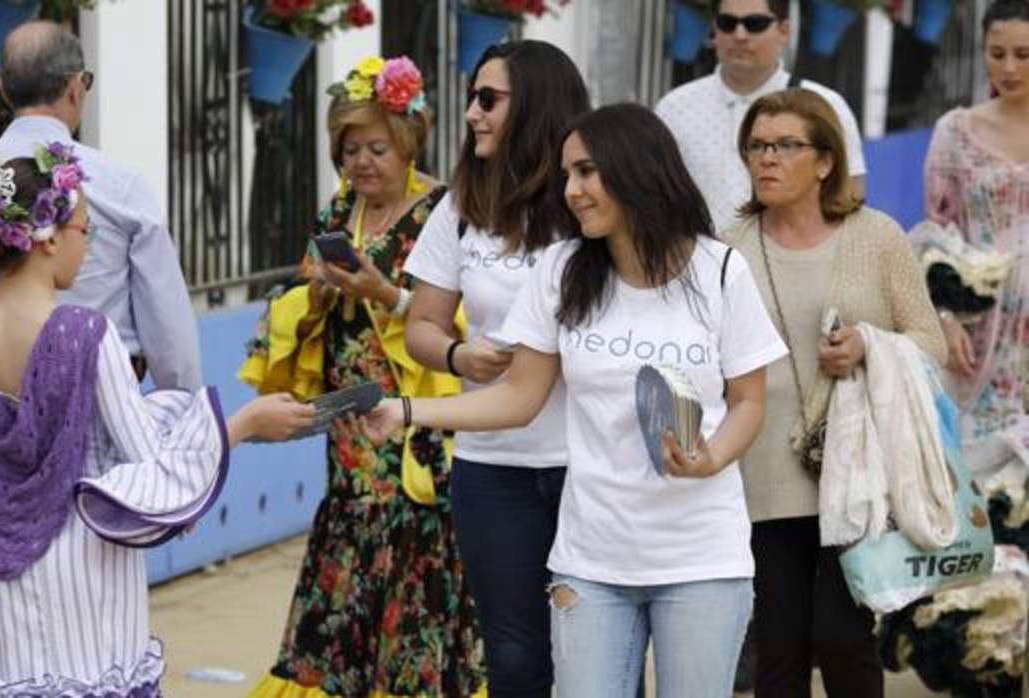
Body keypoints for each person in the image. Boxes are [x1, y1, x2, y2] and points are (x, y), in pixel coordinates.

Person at [0, 142, 314, 696]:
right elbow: (154, 469)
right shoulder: (83, 333)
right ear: (47, 236)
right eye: (84, 230)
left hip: (12, 575)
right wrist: (242, 425)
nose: (89, 246)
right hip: (93, 557)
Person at [366, 103, 787, 698]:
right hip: (591, 558)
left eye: (586, 172)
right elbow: (517, 399)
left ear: (637, 169)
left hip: (702, 557)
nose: (572, 191)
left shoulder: (719, 272)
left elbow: (748, 402)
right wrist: (408, 411)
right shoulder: (563, 271)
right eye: (567, 175)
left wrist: (713, 457)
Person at [239, 55, 485, 696]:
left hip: (416, 427)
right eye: (349, 150)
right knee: (349, 552)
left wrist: (381, 291)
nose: (361, 162)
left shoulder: (447, 213)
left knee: (416, 551)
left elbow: (464, 326)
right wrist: (316, 296)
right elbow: (288, 306)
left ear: (409, 141)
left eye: (377, 147)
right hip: (349, 429)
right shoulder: (337, 215)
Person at [723, 88, 947, 697]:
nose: (766, 159)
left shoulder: (876, 236)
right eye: (757, 146)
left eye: (785, 146)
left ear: (825, 161)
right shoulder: (729, 247)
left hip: (858, 477)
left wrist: (869, 345)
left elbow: (931, 341)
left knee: (843, 639)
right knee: (779, 650)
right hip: (762, 475)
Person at [402, 40, 587, 698]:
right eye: (473, 98)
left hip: (589, 464)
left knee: (593, 651)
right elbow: (420, 326)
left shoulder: (589, 204)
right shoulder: (460, 207)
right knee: (513, 658)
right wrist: (459, 355)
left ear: (534, 105)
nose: (473, 113)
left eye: (489, 99)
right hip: (492, 469)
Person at [0, 20, 200, 390]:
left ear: (2, 88)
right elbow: (167, 324)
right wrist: (187, 412)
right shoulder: (120, 184)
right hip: (100, 391)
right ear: (74, 87)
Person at [926, 0, 1029, 479]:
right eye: (997, 53)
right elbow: (936, 235)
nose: (1008, 68)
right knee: (975, 484)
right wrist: (945, 317)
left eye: (1024, 54)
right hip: (979, 328)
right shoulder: (955, 132)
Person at [655, 0, 866, 233]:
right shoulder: (674, 107)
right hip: (698, 264)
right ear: (714, 29)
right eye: (727, 23)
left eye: (755, 24)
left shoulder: (825, 106)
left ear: (784, 30)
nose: (740, 34)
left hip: (793, 263)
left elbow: (849, 197)